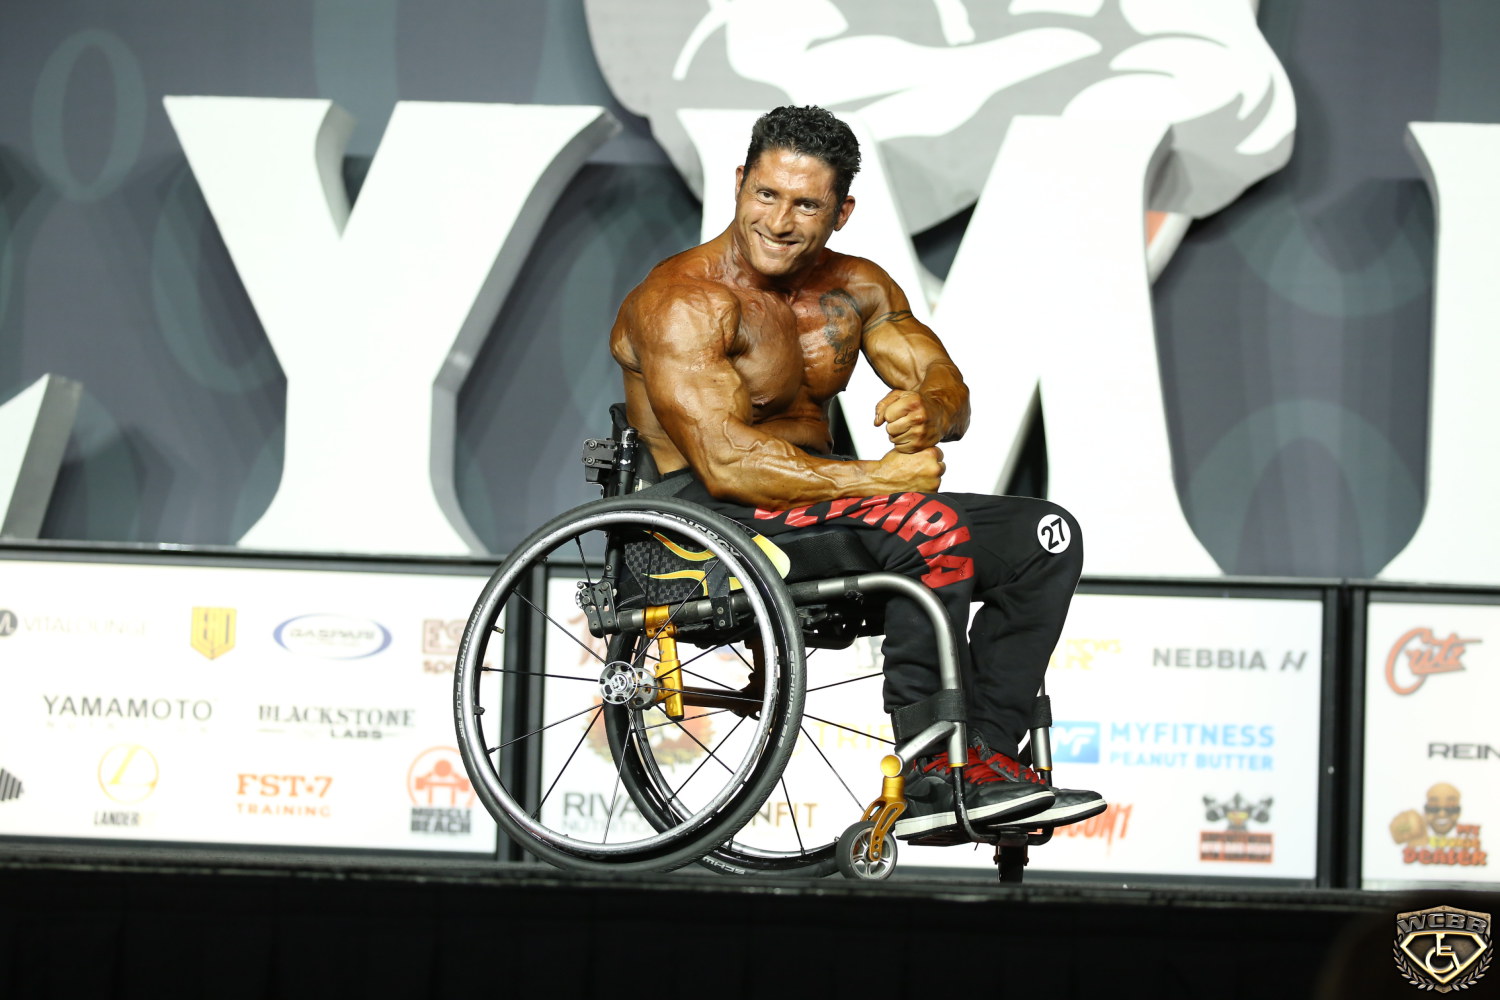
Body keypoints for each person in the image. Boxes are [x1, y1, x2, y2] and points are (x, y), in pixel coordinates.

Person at [609, 104, 1104, 842]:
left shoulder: (855, 288)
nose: (780, 222)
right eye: (767, 194)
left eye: (806, 205)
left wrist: (929, 410)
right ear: (740, 182)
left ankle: (988, 759)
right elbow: (728, 462)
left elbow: (948, 387)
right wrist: (878, 480)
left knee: (1046, 536)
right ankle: (931, 772)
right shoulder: (684, 301)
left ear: (841, 212)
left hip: (818, 506)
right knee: (924, 523)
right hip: (714, 520)